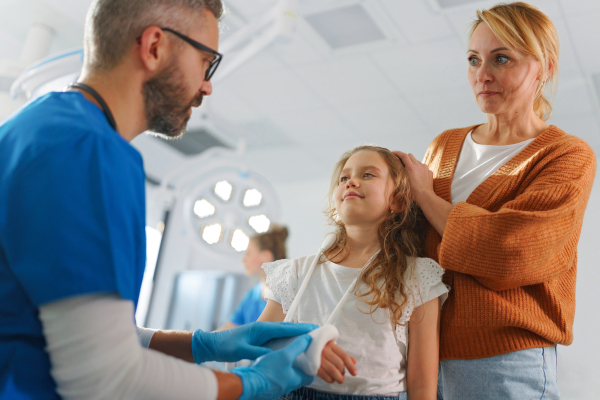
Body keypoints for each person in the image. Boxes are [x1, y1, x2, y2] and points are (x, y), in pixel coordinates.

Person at [0, 1, 333, 399]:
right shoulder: (90, 150)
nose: (208, 85)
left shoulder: (38, 126)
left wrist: (202, 344)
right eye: (206, 62)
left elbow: (74, 330)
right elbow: (104, 378)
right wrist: (252, 384)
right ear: (154, 46)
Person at [394, 3, 596, 399]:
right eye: (473, 60)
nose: (482, 75)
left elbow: (510, 252)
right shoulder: (443, 146)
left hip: (504, 361)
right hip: (420, 354)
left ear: (545, 68)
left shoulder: (565, 155)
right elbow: (412, 249)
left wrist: (423, 194)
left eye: (501, 59)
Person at [259, 145, 449, 400]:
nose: (351, 182)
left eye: (368, 175)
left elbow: (423, 386)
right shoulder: (294, 272)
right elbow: (256, 344)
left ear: (398, 200)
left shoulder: (417, 276)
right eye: (344, 178)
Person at [219, 226, 289, 331]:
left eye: (248, 253)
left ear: (266, 256)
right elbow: (229, 329)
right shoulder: (253, 294)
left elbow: (261, 333)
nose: (243, 259)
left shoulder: (287, 291)